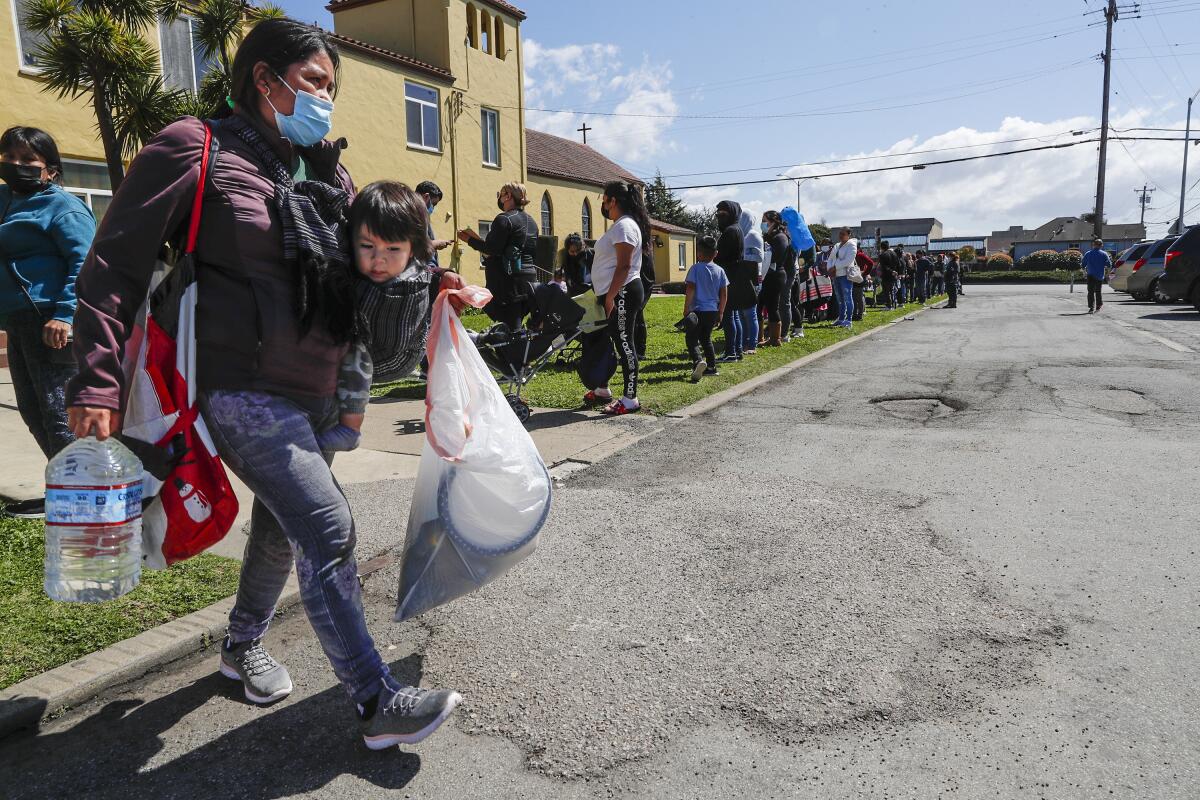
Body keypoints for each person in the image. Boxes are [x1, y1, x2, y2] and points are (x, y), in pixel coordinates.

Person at [64, 19, 461, 749]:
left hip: (320, 387)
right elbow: (114, 263)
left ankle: (239, 644)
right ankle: (377, 704)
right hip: (241, 386)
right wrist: (93, 381)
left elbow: (371, 262)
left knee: (284, 531)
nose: (325, 101)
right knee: (331, 527)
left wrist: (434, 283)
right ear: (264, 78)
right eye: (314, 84)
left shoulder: (330, 174)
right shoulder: (196, 146)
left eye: (331, 89)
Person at [0, 126, 96, 518]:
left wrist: (65, 314)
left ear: (51, 171)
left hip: (51, 323)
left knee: (60, 414)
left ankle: (88, 499)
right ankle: (66, 490)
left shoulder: (63, 207)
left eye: (29, 160)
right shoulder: (5, 200)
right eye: (11, 157)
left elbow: (86, 264)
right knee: (33, 412)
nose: (17, 166)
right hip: (19, 322)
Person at [316, 181, 452, 453]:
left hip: (391, 353)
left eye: (392, 250)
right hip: (389, 343)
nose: (379, 260)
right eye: (367, 247)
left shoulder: (404, 282)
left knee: (354, 358)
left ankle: (350, 428)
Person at [586, 180, 650, 415]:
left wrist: (611, 296)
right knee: (616, 342)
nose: (603, 204)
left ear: (613, 200)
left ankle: (630, 398)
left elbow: (623, 266)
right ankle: (606, 389)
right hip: (616, 293)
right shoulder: (620, 226)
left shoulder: (624, 226)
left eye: (604, 199)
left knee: (625, 344)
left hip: (622, 292)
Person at [457, 181, 538, 330]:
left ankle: (512, 352)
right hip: (529, 280)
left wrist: (468, 239)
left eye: (501, 193)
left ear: (508, 196)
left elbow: (491, 249)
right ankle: (514, 350)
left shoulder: (504, 218)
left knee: (509, 327)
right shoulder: (532, 221)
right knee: (515, 323)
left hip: (507, 282)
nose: (499, 197)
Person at [683, 235, 727, 382]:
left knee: (692, 338)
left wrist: (687, 308)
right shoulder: (720, 271)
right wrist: (721, 312)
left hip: (697, 310)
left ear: (698, 253)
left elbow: (690, 288)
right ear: (716, 254)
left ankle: (698, 361)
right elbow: (724, 293)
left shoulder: (695, 268)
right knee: (706, 339)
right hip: (712, 310)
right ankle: (712, 367)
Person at [713, 200, 745, 362]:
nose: (719, 217)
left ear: (731, 213)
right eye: (718, 214)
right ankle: (737, 350)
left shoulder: (731, 231)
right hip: (733, 277)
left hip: (729, 278)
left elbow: (721, 256)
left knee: (728, 316)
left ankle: (731, 352)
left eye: (723, 214)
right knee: (734, 316)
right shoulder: (735, 229)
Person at [759, 210, 792, 345]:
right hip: (769, 274)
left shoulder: (780, 237)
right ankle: (761, 337)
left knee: (772, 306)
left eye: (764, 221)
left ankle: (775, 338)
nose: (762, 224)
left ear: (773, 222)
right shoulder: (770, 235)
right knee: (762, 305)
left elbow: (776, 257)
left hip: (775, 274)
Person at [734, 209, 762, 354]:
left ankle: (752, 344)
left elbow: (759, 257)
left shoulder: (753, 235)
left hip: (751, 278)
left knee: (750, 313)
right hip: (740, 277)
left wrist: (742, 256)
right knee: (741, 313)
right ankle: (743, 342)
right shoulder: (740, 235)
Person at [413, 180, 452, 267]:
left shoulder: (422, 217)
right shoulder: (410, 216)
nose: (432, 208)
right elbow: (410, 247)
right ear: (426, 197)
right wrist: (435, 244)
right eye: (433, 204)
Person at [827, 227, 858, 329]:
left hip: (845, 275)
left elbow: (848, 260)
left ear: (849, 235)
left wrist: (835, 267)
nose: (840, 236)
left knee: (847, 297)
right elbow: (831, 258)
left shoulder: (852, 245)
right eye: (840, 233)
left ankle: (849, 320)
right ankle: (841, 318)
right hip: (836, 275)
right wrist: (830, 268)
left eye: (843, 234)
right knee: (839, 298)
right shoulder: (837, 245)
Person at [1082, 238, 1110, 314]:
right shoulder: (1104, 254)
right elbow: (1109, 264)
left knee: (1090, 292)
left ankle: (1091, 308)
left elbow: (1083, 264)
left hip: (1090, 275)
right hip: (1100, 276)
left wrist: (1084, 272)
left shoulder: (1088, 253)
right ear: (1101, 245)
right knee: (1098, 291)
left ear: (1093, 245)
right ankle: (1098, 306)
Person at [853, 247, 874, 321]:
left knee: (858, 296)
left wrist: (865, 273)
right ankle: (855, 314)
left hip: (860, 277)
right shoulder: (852, 255)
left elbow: (871, 263)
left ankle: (859, 314)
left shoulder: (860, 255)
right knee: (855, 296)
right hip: (854, 277)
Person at [878, 240, 899, 309]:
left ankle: (888, 305)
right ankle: (894, 304)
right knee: (892, 290)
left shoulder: (882, 255)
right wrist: (895, 271)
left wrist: (891, 271)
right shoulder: (894, 253)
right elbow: (897, 264)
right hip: (894, 274)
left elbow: (884, 267)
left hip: (886, 275)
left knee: (886, 291)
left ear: (882, 247)